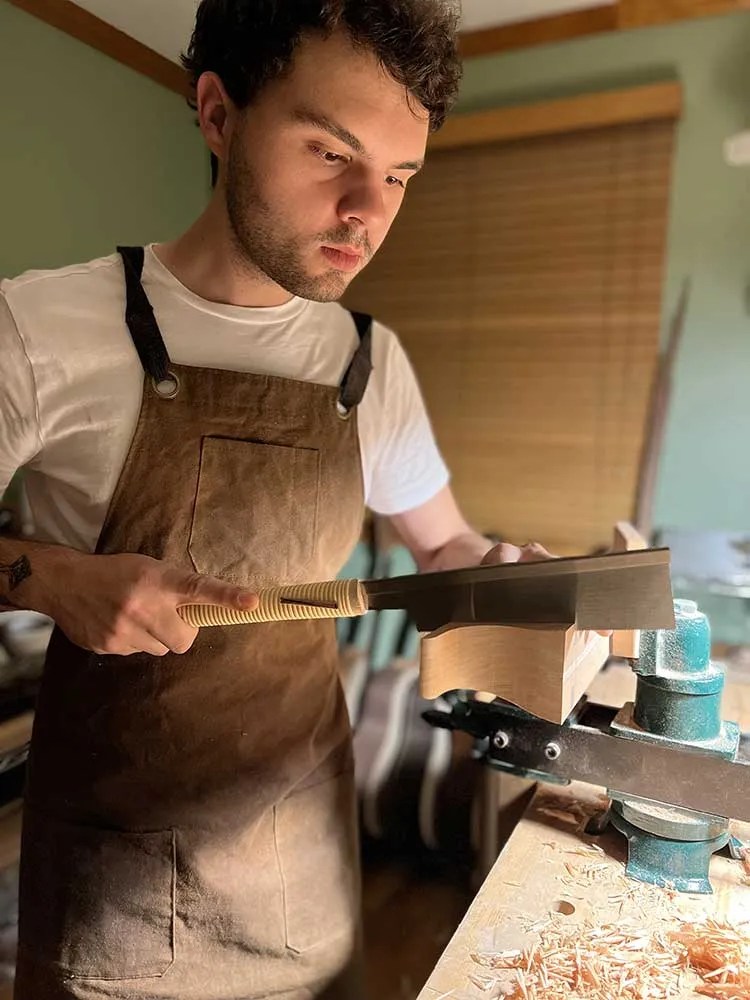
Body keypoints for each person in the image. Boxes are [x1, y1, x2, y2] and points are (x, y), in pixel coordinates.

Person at [0, 2, 548, 998]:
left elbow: (445, 546)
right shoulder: (42, 328)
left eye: (397, 177)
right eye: (331, 153)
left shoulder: (371, 366)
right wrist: (57, 577)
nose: (366, 212)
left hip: (302, 861)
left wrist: (496, 569)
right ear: (217, 114)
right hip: (114, 883)